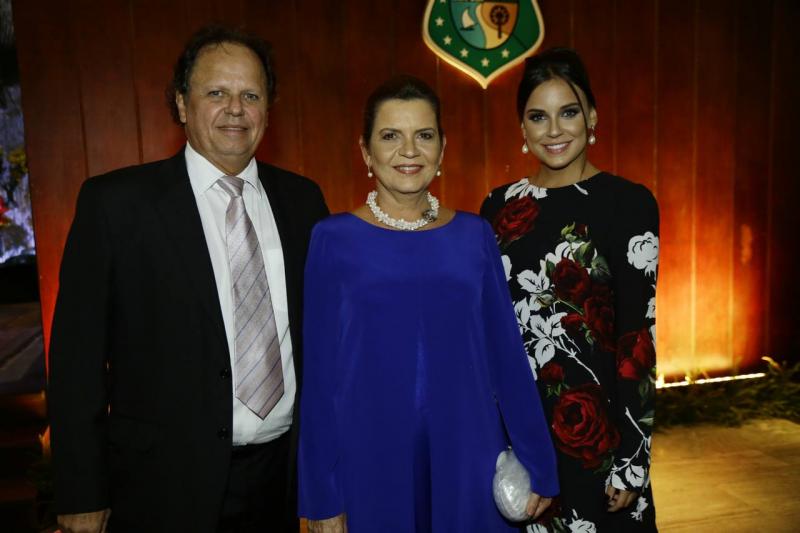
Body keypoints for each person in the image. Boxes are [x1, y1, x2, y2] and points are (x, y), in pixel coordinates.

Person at [48, 25, 328, 533]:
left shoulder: (304, 202)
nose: (235, 109)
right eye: (216, 93)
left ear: (268, 108)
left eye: (251, 95)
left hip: (283, 481)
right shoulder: (116, 206)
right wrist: (81, 491)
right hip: (162, 487)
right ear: (181, 103)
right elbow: (76, 361)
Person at [297, 75, 559, 533]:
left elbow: (506, 357)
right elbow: (319, 379)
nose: (409, 151)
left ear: (442, 148)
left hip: (469, 452)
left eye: (424, 135)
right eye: (390, 136)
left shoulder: (474, 235)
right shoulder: (332, 240)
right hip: (370, 458)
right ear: (365, 151)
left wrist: (539, 460)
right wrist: (321, 495)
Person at [480, 48, 659, 532]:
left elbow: (637, 339)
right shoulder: (497, 208)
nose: (554, 130)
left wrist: (633, 458)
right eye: (538, 116)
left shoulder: (629, 204)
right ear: (522, 127)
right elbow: (490, 334)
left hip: (600, 444)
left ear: (592, 117)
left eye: (569, 112)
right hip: (521, 440)